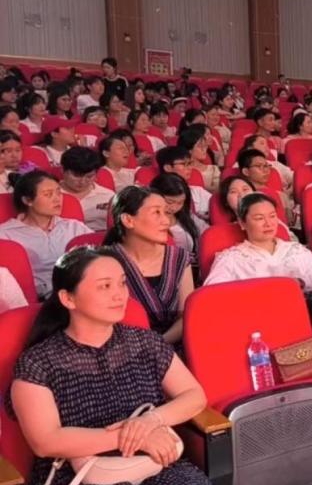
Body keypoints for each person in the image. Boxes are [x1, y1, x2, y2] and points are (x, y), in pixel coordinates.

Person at [8, 247, 240, 485]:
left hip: (153, 461)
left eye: (121, 283)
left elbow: (194, 396)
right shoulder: (40, 362)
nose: (119, 294)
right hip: (79, 478)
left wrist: (151, 422)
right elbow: (46, 440)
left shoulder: (143, 342)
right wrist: (131, 437)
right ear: (68, 298)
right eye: (104, 286)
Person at [205, 194, 312, 328]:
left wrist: (301, 284)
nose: (268, 223)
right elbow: (211, 299)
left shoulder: (297, 251)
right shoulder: (231, 259)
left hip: (303, 317)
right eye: (259, 218)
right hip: (256, 323)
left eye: (272, 216)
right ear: (242, 223)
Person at [103, 186, 194, 346]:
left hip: (173, 345)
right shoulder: (105, 262)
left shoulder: (179, 258)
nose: (166, 221)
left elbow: (187, 316)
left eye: (166, 212)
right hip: (121, 348)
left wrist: (157, 346)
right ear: (128, 220)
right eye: (156, 212)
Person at [0, 171, 92, 297]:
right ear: (27, 200)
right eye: (48, 194)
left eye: (59, 193)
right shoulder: (5, 235)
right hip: (37, 298)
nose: (57, 199)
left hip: (79, 291)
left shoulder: (74, 227)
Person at [150, 172, 209, 265]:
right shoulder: (146, 221)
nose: (174, 208)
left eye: (180, 203)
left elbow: (208, 232)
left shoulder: (187, 217)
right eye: (169, 202)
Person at [57, 146, 113, 232]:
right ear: (62, 170)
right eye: (77, 175)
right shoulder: (52, 195)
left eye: (89, 176)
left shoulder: (108, 196)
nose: (82, 181)